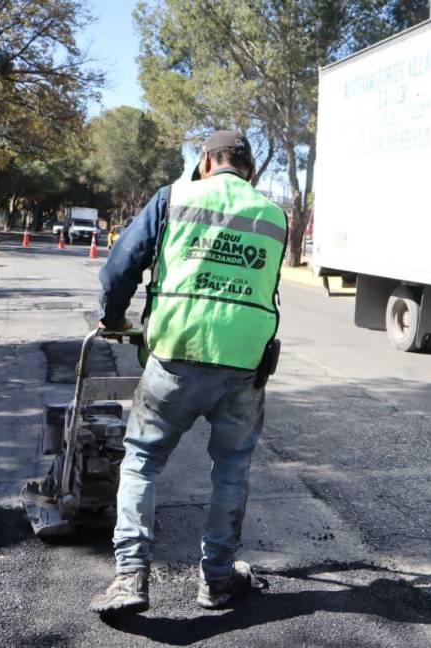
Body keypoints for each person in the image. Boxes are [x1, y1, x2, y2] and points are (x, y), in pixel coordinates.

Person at [89, 130, 287, 615]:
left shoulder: (173, 198)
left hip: (176, 355)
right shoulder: (275, 215)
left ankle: (130, 579)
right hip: (244, 364)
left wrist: (114, 321)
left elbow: (120, 269)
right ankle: (216, 582)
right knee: (232, 470)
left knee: (141, 460)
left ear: (204, 162)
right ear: (250, 170)